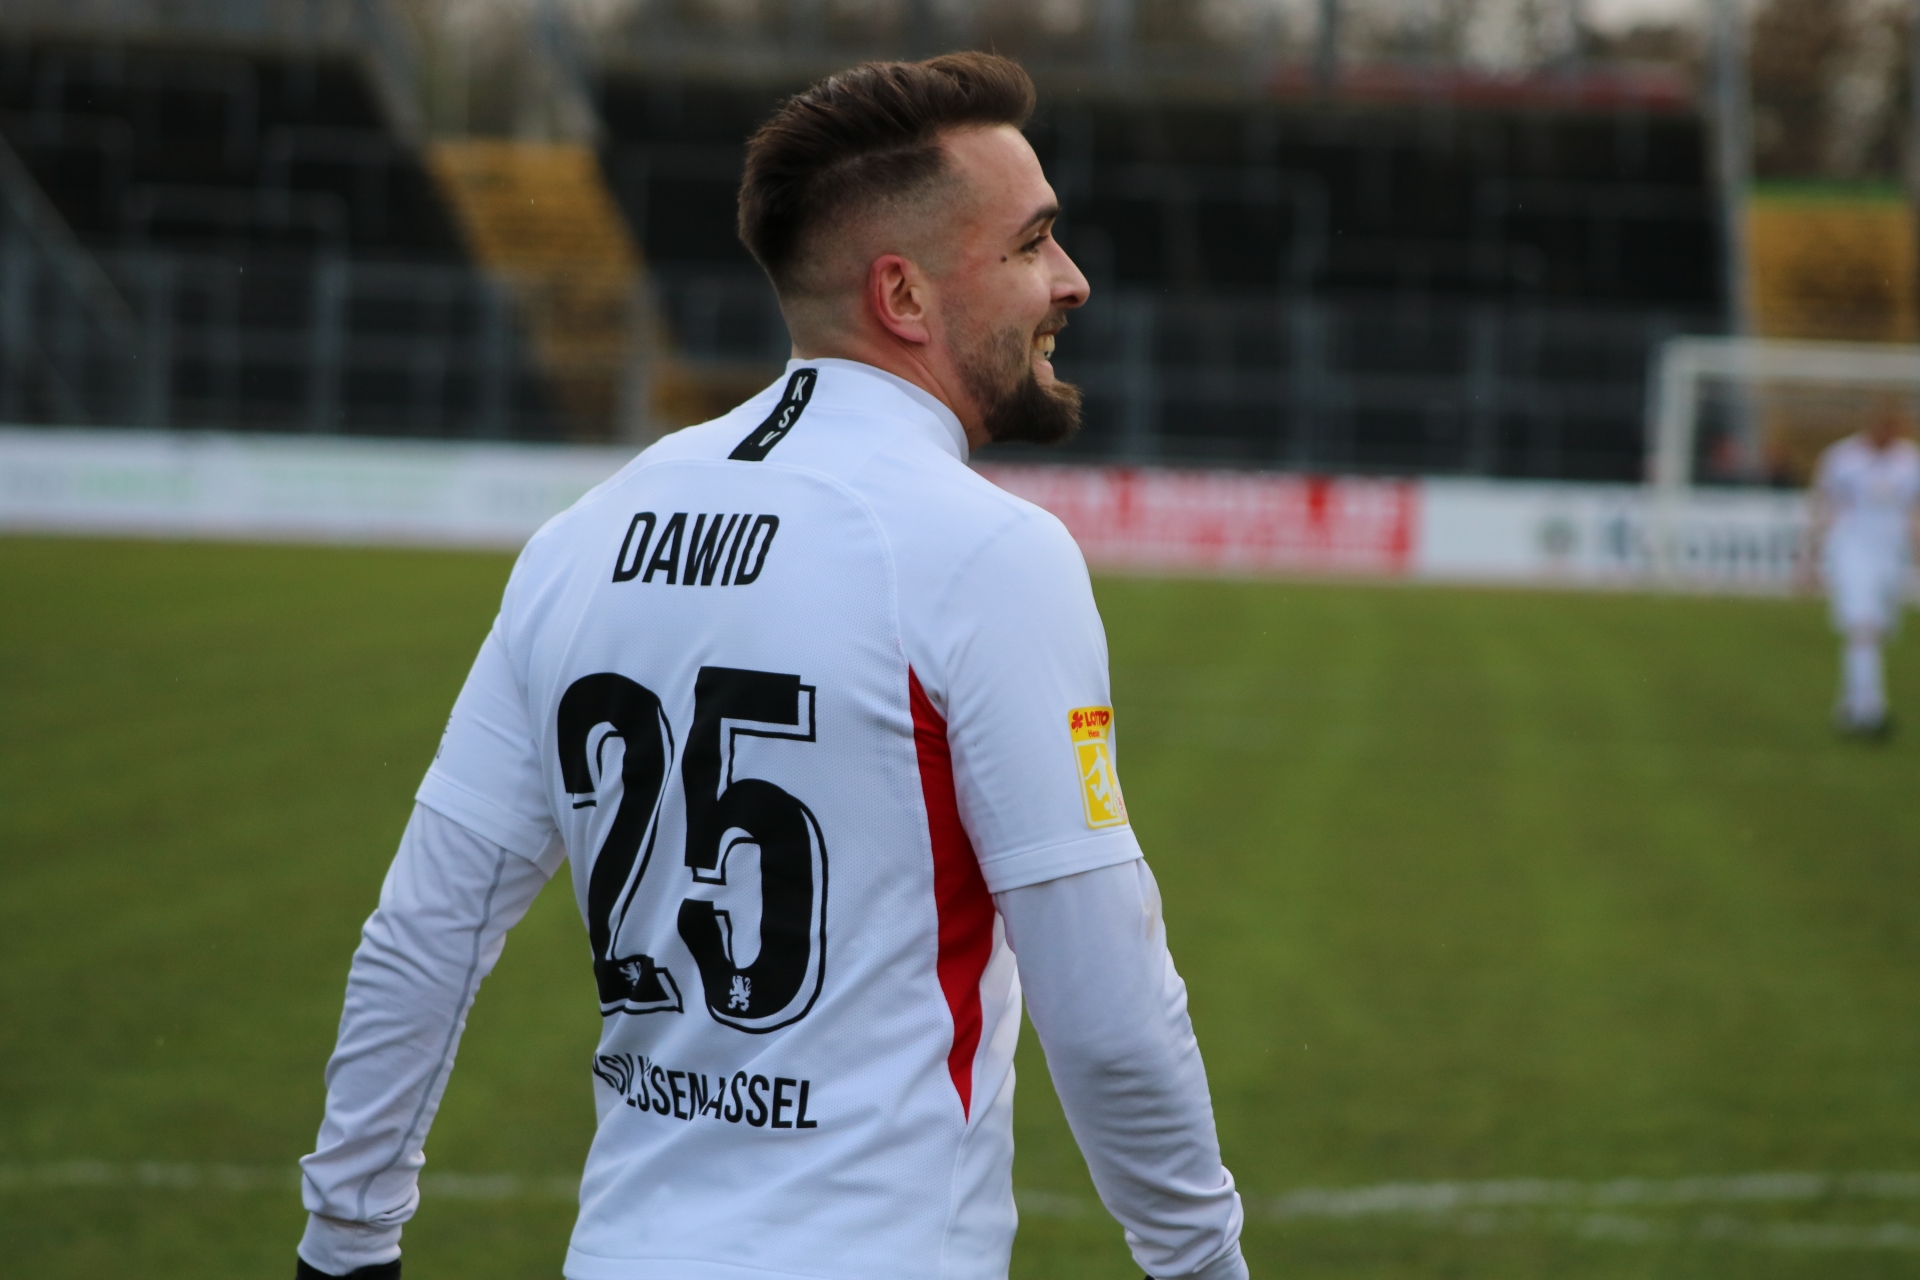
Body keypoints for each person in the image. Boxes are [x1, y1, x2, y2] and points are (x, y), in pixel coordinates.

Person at [295, 53, 1248, 1280]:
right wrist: (1201, 1262)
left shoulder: (583, 536)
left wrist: (346, 1243)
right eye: (1031, 243)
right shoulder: (986, 553)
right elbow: (1108, 1003)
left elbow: (426, 929)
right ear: (903, 294)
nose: (1071, 280)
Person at [1808, 400, 1920, 737]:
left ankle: (1850, 705)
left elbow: (1914, 512)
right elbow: (1823, 503)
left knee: (1879, 631)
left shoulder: (1909, 460)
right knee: (1862, 626)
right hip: (1852, 547)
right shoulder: (1842, 458)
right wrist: (1811, 554)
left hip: (1891, 552)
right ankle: (1870, 710)